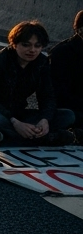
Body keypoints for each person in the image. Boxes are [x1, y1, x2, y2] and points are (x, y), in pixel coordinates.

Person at [0, 20, 75, 145]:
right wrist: (15, 122)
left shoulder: (42, 63)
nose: (32, 50)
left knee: (67, 115)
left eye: (37, 46)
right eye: (26, 45)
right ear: (14, 44)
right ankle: (41, 138)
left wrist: (44, 120)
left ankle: (6, 136)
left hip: (18, 113)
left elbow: (47, 96)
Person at [50, 10, 83, 141]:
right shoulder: (62, 53)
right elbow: (58, 92)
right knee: (69, 116)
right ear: (79, 30)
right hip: (70, 108)